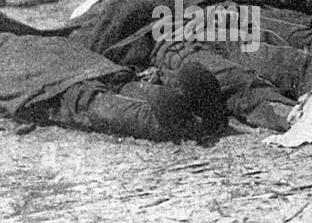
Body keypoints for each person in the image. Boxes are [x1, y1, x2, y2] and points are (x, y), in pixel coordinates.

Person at [0, 30, 224, 141]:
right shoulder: (13, 35)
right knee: (125, 90)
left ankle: (186, 120)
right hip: (77, 70)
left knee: (108, 104)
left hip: (62, 80)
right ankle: (195, 110)